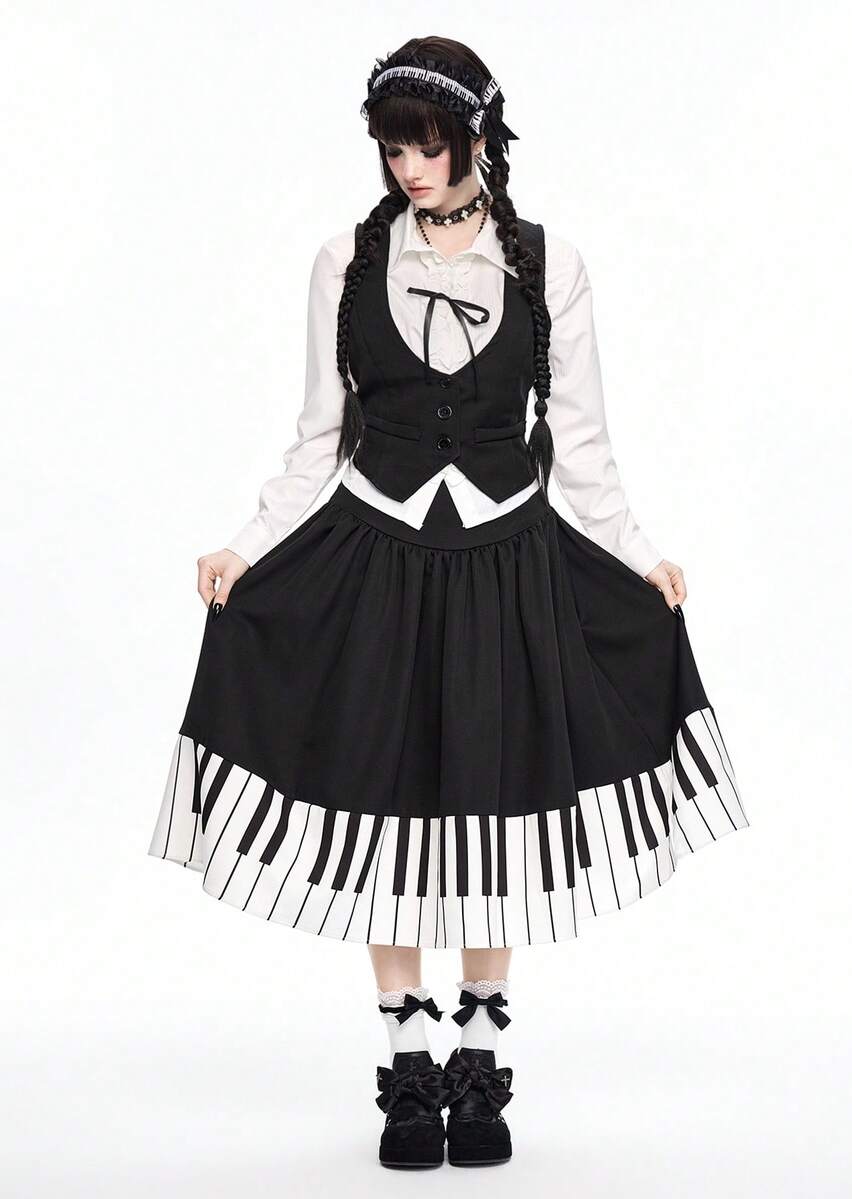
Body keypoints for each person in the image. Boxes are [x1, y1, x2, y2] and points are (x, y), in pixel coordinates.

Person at [147, 36, 749, 1169]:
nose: (410, 167)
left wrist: (640, 556)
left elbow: (582, 445)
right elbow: (317, 438)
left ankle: (480, 1057)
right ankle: (408, 1064)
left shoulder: (546, 265)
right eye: (393, 148)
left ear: (477, 138)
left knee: (490, 795)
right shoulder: (344, 261)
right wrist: (244, 546)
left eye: (427, 145)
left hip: (506, 563)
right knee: (385, 799)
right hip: (374, 558)